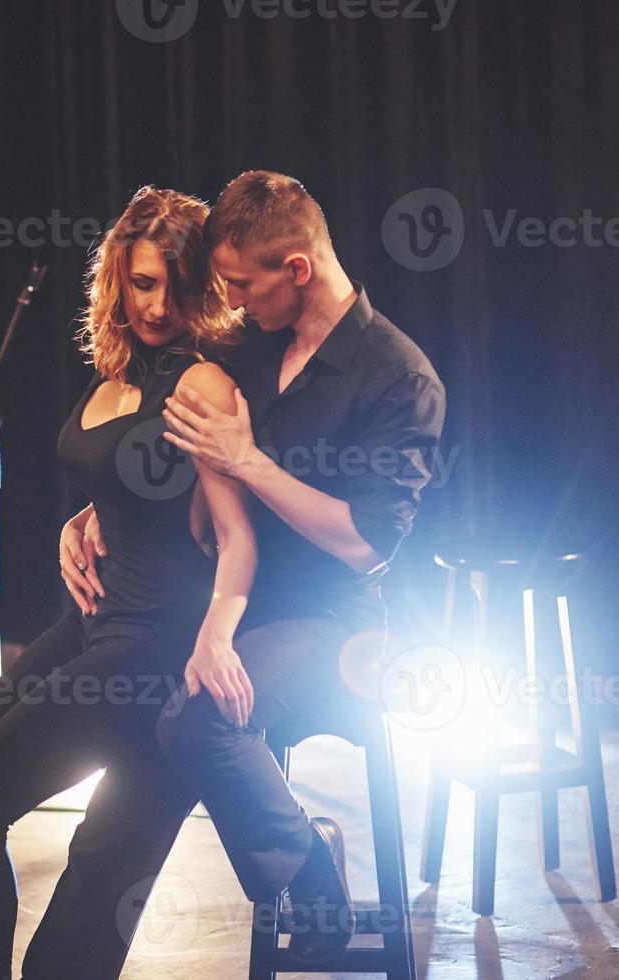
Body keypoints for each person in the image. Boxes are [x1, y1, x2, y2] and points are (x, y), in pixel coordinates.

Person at [69, 170, 447, 961]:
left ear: (296, 271)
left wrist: (249, 462)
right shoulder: (251, 342)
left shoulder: (397, 377)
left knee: (199, 719)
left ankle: (309, 876)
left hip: (332, 618)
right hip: (232, 596)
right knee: (133, 702)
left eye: (243, 285)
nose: (232, 304)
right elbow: (164, 456)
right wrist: (95, 512)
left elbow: (365, 545)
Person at [0, 185, 260, 980]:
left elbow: (238, 534)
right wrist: (83, 518)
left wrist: (214, 639)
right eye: (142, 283)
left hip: (153, 643)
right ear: (117, 280)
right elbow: (129, 482)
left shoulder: (198, 384)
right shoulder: (113, 373)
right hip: (93, 623)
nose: (156, 304)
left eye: (173, 285)